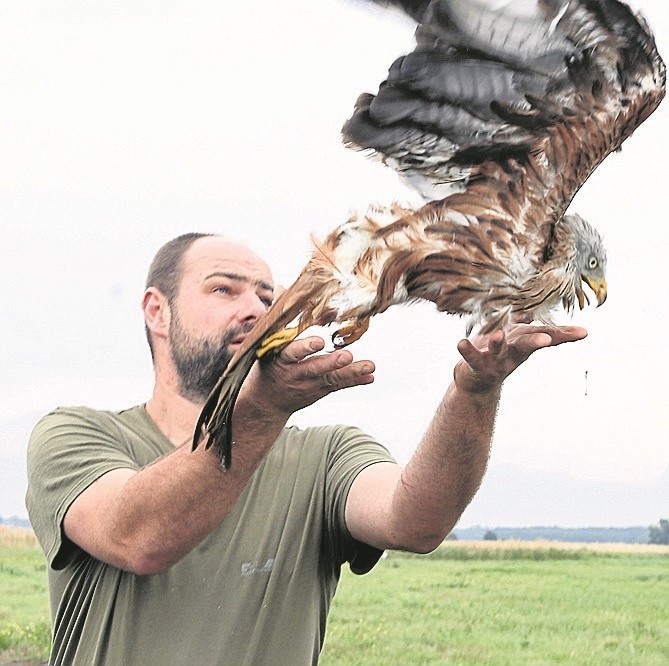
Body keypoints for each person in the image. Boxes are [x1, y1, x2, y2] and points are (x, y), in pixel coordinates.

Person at [26, 232, 587, 665]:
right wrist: (263, 409)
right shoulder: (76, 436)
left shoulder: (324, 456)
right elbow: (140, 537)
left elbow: (417, 521)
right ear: (156, 311)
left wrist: (477, 387)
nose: (255, 309)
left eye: (269, 297)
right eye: (224, 289)